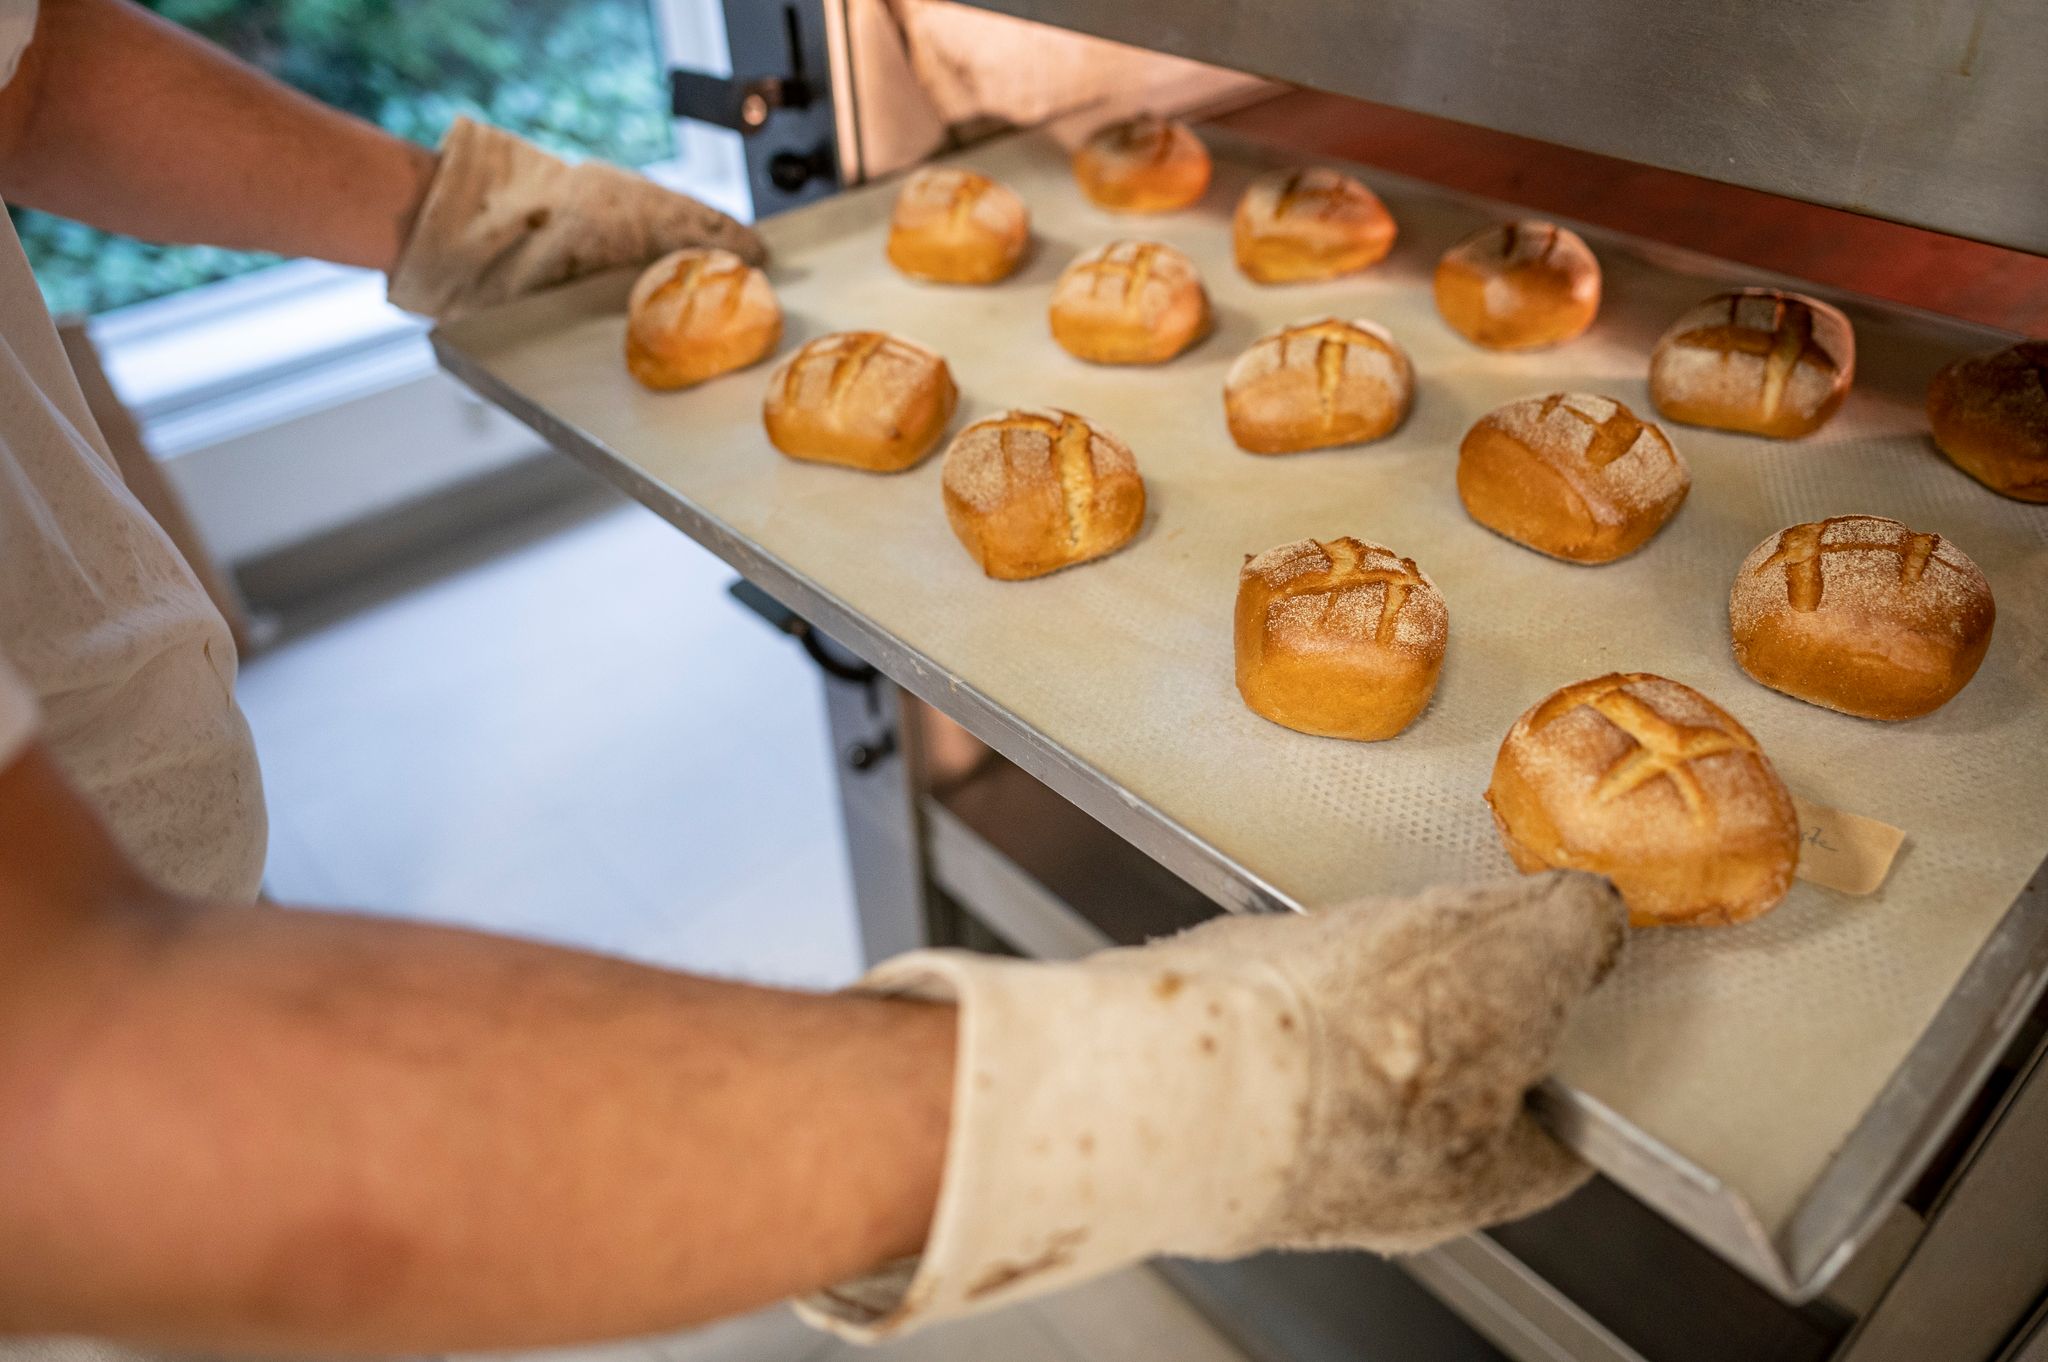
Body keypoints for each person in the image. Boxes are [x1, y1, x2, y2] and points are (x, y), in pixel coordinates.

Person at [0, 0, 1627, 1353]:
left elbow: (29, 56)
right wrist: (1169, 1102)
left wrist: (450, 212)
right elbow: (64, 1092)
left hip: (145, 872)